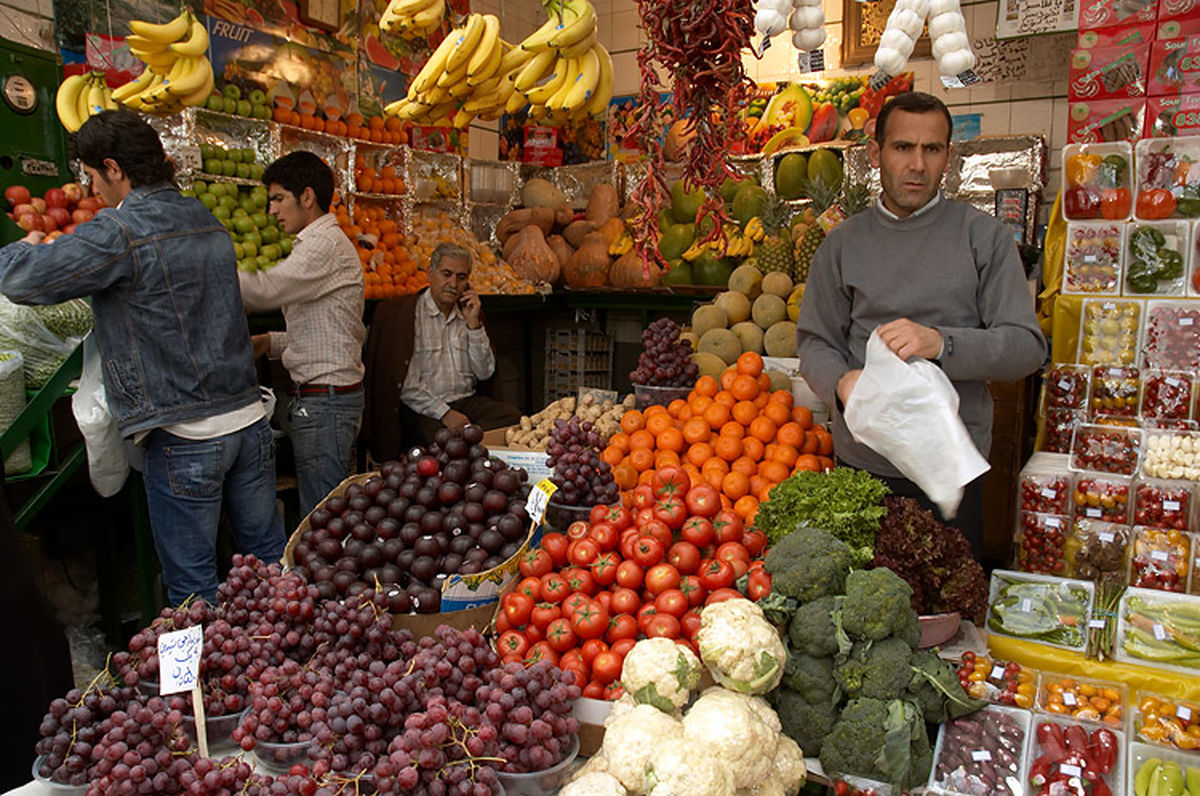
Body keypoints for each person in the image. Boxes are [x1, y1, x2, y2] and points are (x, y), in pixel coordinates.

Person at [0, 110, 284, 605]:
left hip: (185, 434)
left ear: (113, 168)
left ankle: (196, 682)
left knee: (193, 586)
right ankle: (293, 669)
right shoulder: (208, 221)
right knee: (270, 566)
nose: (92, 192)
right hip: (248, 421)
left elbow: (26, 280)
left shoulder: (121, 230)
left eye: (91, 178)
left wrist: (23, 245)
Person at [796, 91, 1046, 556]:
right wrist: (842, 382)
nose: (917, 164)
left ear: (948, 157)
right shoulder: (842, 246)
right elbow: (814, 343)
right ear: (875, 154)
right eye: (902, 147)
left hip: (951, 468)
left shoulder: (984, 239)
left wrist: (940, 343)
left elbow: (1025, 347)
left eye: (931, 150)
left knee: (949, 610)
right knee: (864, 611)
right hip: (864, 466)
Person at [238, 151, 366, 516]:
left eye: (278, 199)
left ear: (306, 197)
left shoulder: (322, 244)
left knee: (323, 514)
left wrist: (201, 270)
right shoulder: (318, 244)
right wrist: (269, 342)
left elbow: (265, 290)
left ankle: (329, 573)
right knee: (324, 509)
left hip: (326, 403)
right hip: (326, 399)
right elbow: (326, 331)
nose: (272, 211)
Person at [364, 243, 519, 452]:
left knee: (512, 421)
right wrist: (444, 413)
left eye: (461, 277)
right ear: (430, 273)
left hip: (466, 403)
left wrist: (474, 326)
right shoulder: (408, 315)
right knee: (446, 442)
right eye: (446, 274)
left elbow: (484, 373)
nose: (453, 283)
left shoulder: (468, 315)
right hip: (425, 409)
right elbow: (407, 386)